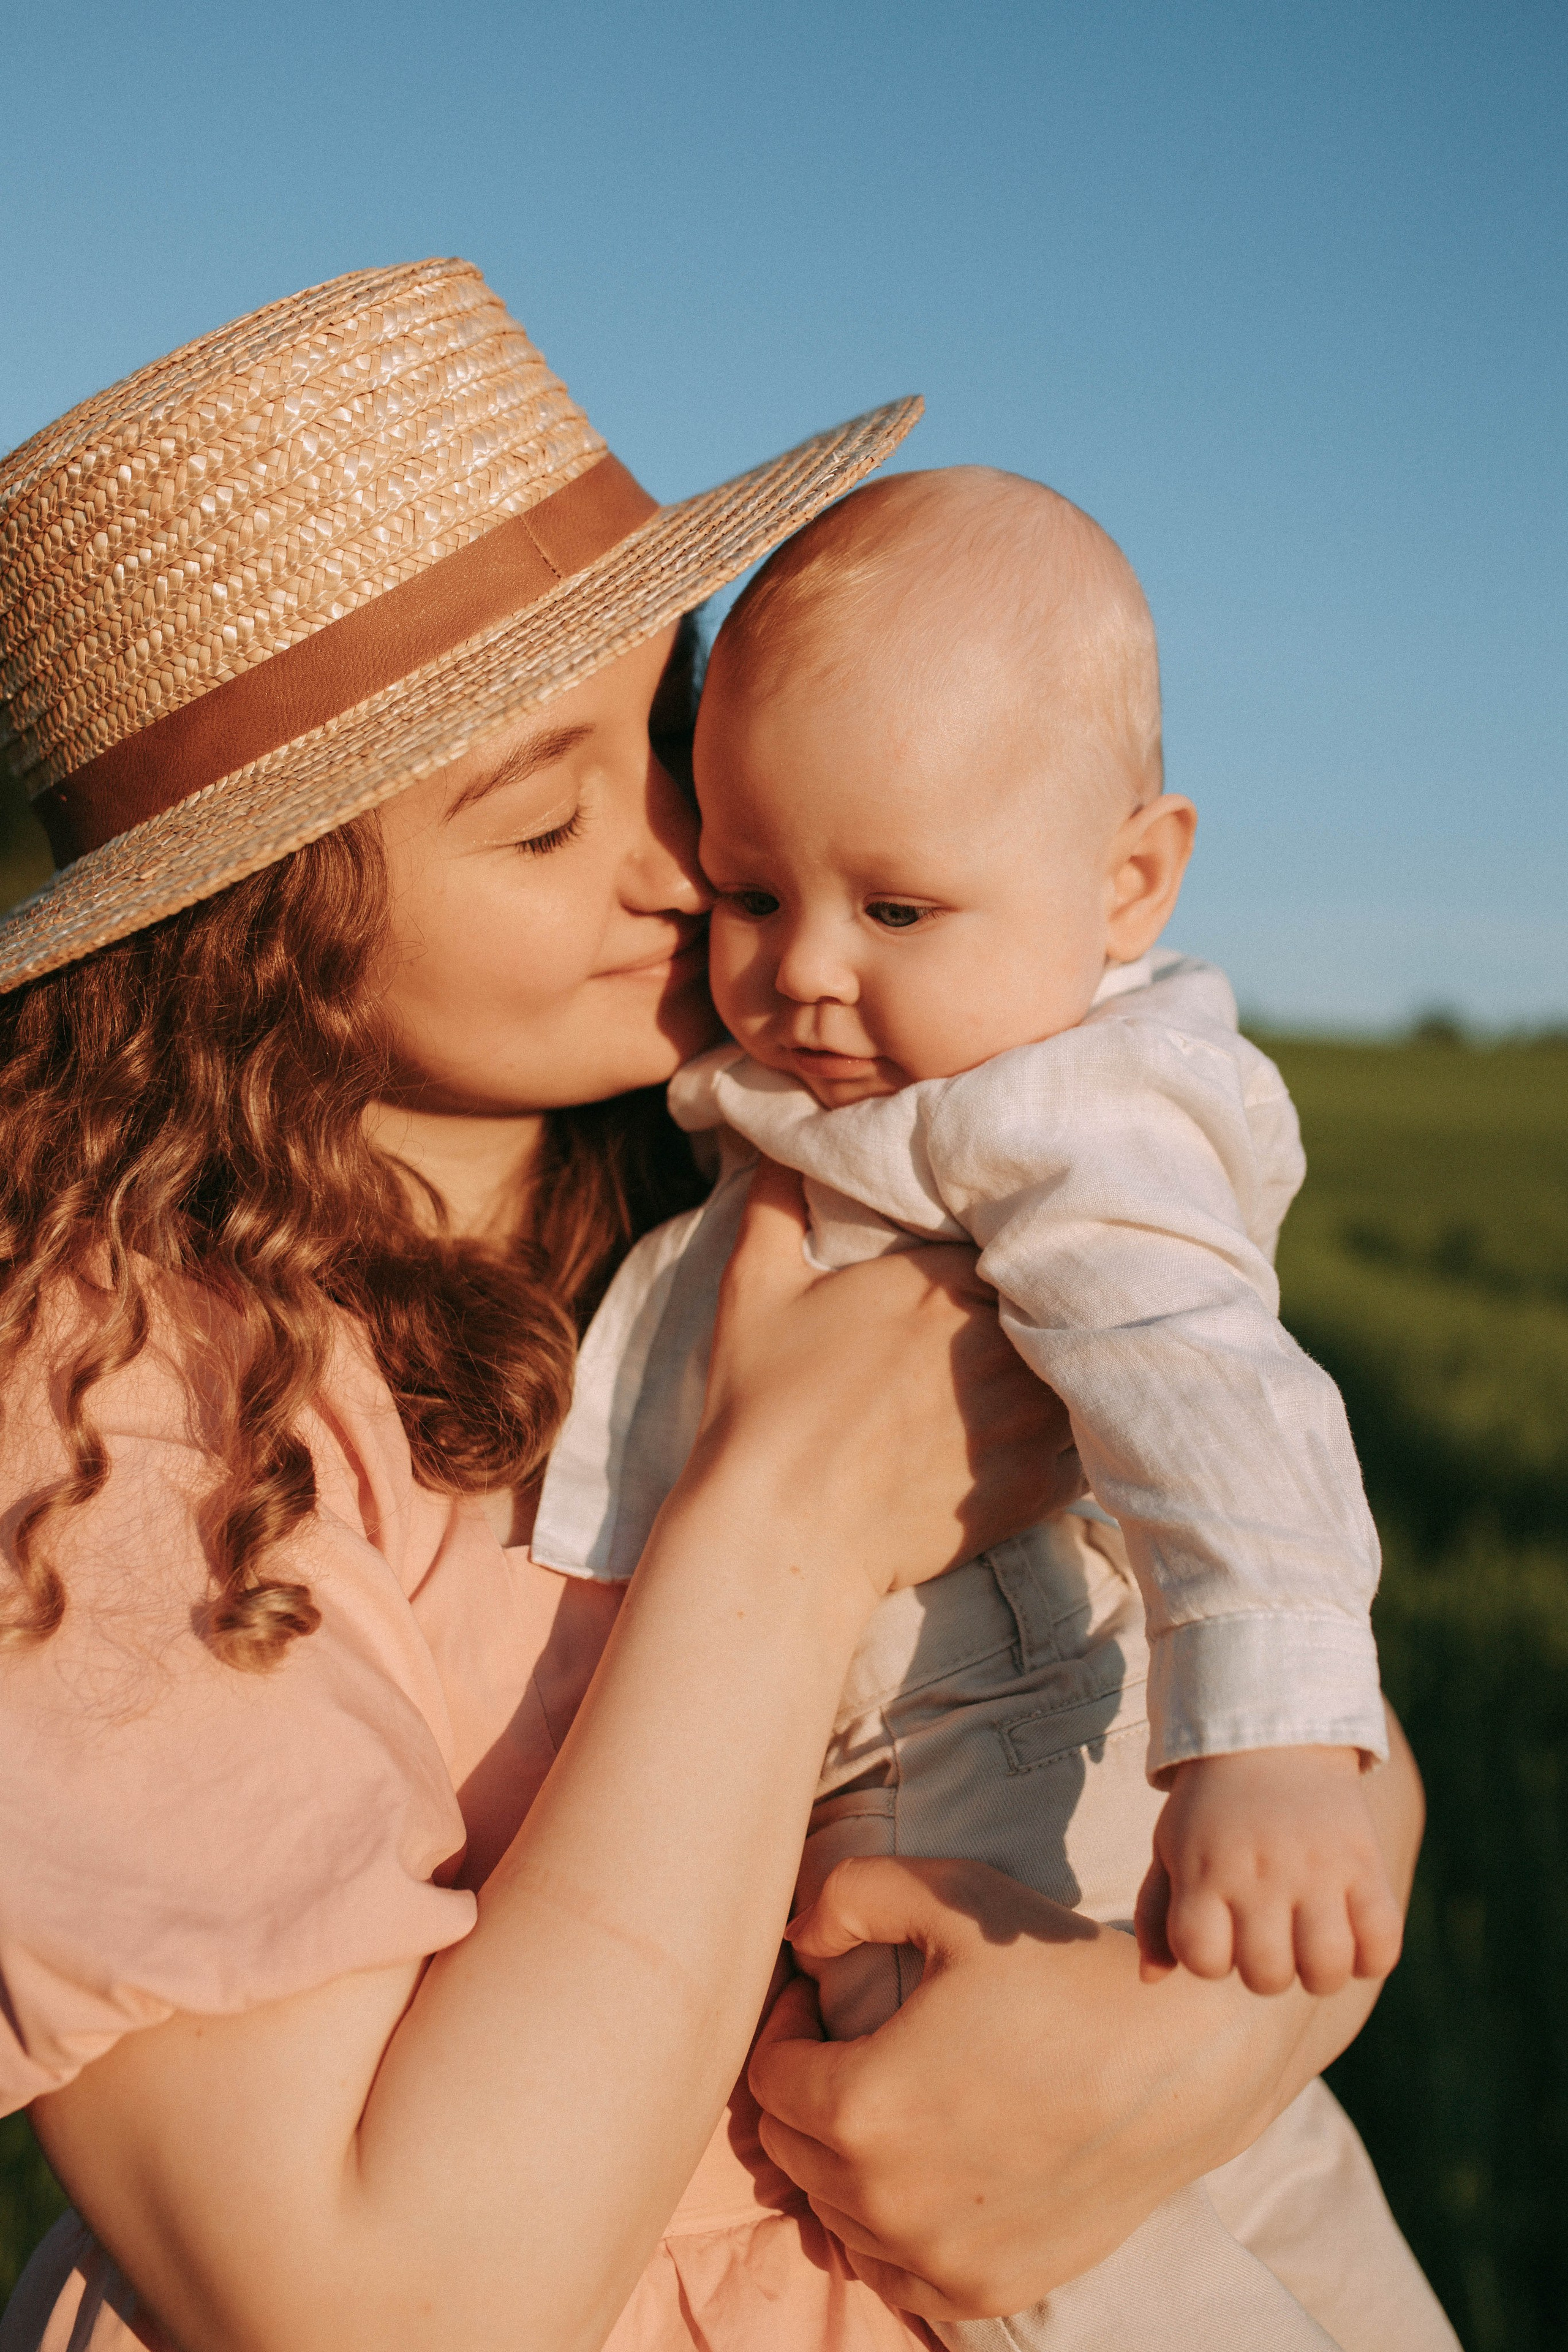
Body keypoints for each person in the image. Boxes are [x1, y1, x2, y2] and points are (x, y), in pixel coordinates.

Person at [0, 259, 1428, 2352]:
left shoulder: (774, 1134)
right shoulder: (108, 1422)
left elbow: (1267, 1621)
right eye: (545, 816)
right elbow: (384, 2315)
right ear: (261, 932)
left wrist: (1178, 2057)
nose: (686, 865)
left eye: (659, 742)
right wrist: (788, 1517)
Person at [529, 466, 1460, 2348]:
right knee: (1278, 2209)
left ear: (1126, 882)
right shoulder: (889, 1079)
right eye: (750, 892)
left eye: (897, 903)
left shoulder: (1054, 1112)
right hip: (1014, 1764)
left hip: (1005, 1775)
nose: (802, 968)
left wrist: (1271, 1733)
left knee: (1085, 2267)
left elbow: (1212, 1382)